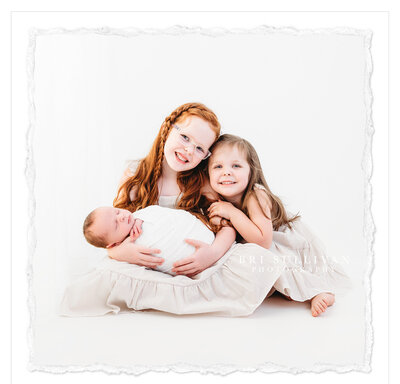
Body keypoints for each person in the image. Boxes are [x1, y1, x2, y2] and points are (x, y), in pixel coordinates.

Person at [206, 134, 351, 317]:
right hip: (266, 243)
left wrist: (232, 213)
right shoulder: (219, 197)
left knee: (275, 261)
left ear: (251, 171)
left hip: (285, 241)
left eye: (236, 166)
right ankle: (290, 288)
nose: (226, 172)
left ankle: (320, 291)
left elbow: (263, 241)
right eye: (218, 166)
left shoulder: (255, 196)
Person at [109, 102, 236, 277]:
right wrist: (115, 252)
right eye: (185, 137)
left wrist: (212, 254)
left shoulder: (202, 183)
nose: (189, 150)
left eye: (200, 149)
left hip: (186, 263)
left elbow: (227, 227)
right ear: (167, 128)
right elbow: (113, 224)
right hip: (151, 262)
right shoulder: (135, 174)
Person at [82, 205, 216, 276]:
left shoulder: (144, 213)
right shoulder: (129, 251)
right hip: (200, 260)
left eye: (117, 212)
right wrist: (116, 252)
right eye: (116, 225)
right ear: (113, 244)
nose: (122, 217)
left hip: (212, 240)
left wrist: (140, 218)